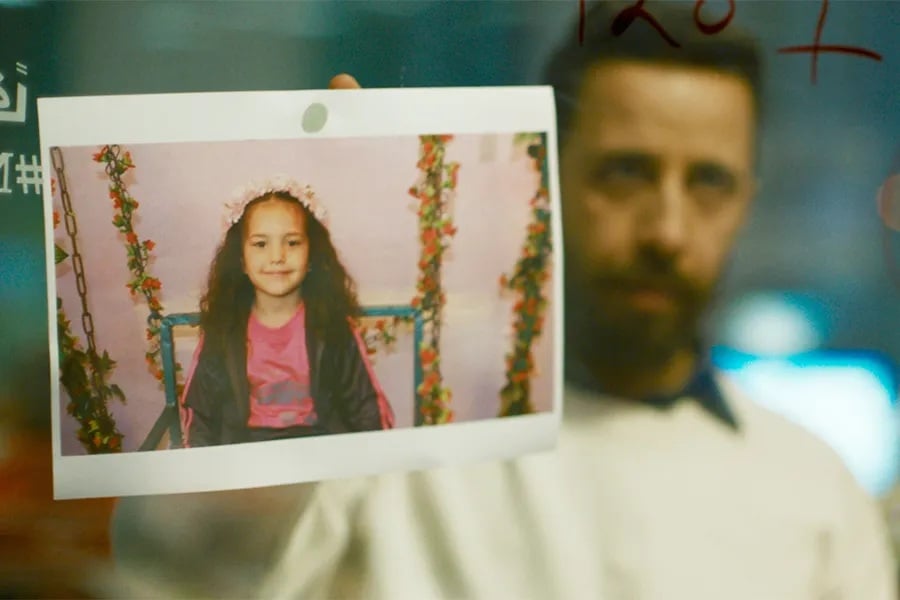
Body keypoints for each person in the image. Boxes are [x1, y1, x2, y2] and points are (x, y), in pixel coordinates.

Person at [109, 3, 897, 598]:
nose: (666, 228)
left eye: (708, 182)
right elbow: (178, 561)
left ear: (746, 201)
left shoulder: (814, 488)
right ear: (540, 178)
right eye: (626, 171)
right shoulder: (398, 440)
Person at [180, 175, 395, 447]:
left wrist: (371, 460)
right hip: (246, 455)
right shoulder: (222, 331)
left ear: (312, 256)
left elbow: (367, 408)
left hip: (321, 449)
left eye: (292, 242)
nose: (277, 257)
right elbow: (200, 416)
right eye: (261, 244)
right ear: (241, 260)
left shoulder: (334, 327)